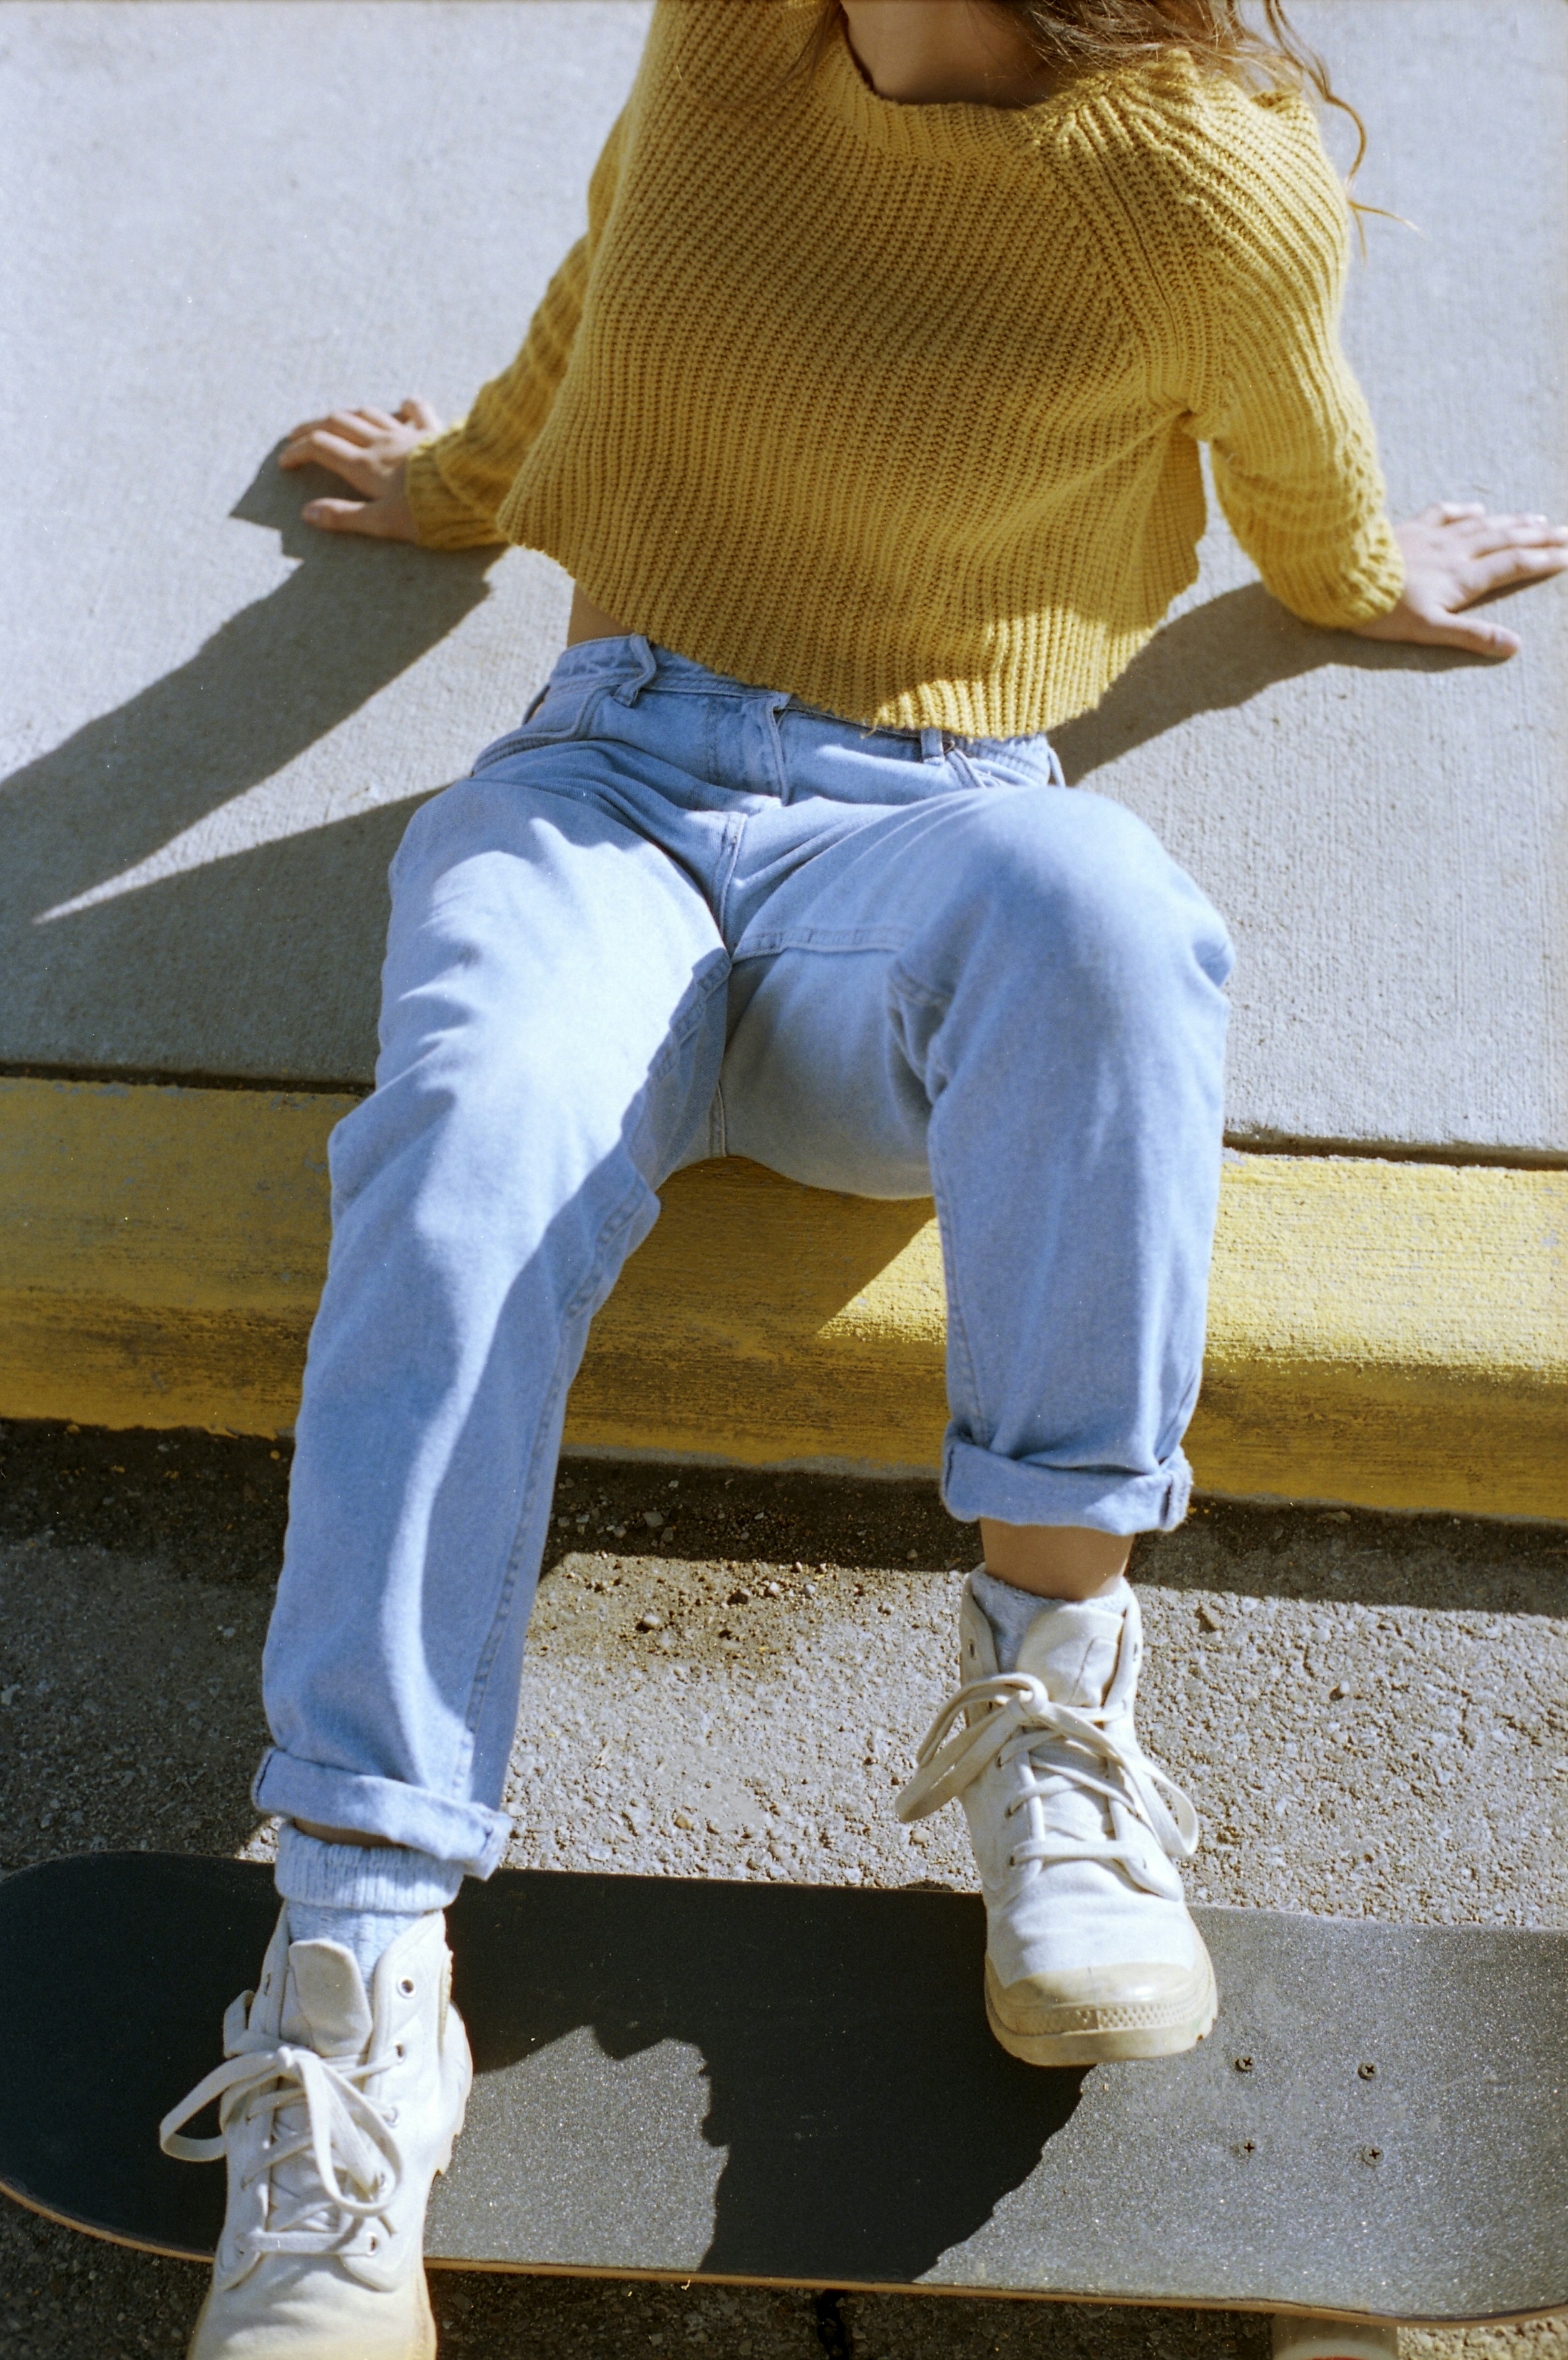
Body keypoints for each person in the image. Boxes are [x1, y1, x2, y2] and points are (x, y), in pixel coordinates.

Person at [157, 3, 1567, 2353]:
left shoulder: (1206, 181)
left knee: (1109, 912)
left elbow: (1292, 462)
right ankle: (355, 1981)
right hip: (597, 793)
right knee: (466, 1148)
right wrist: (471, 486)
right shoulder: (730, 29)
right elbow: (614, 284)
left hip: (926, 831)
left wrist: (1352, 576)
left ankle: (1056, 1708)